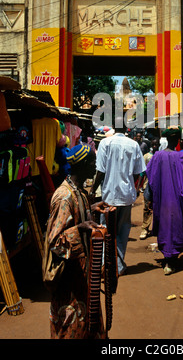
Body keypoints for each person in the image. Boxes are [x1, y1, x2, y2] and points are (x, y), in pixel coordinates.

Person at [43, 143, 110, 339]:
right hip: (69, 281)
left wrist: (92, 207)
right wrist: (79, 228)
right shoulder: (64, 197)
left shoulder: (78, 192)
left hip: (82, 277)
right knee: (70, 330)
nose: (95, 167)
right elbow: (55, 241)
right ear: (84, 164)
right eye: (93, 162)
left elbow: (78, 214)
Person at [91, 125, 146, 275]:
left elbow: (100, 170)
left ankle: (105, 265)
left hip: (109, 196)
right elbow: (138, 171)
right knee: (122, 232)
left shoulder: (105, 143)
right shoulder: (133, 144)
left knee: (106, 231)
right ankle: (119, 266)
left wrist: (92, 189)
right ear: (127, 129)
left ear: (114, 127)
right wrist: (132, 186)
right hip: (126, 196)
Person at [146, 126, 183, 275]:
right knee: (176, 226)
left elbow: (151, 178)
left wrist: (150, 197)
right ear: (178, 140)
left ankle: (168, 257)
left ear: (166, 139)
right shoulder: (181, 157)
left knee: (165, 226)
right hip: (178, 200)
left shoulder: (157, 156)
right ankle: (171, 259)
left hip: (162, 201)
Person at [139, 137, 159, 240]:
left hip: (159, 187)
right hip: (148, 186)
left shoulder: (161, 156)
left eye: (156, 144)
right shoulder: (147, 157)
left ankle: (157, 228)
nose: (155, 146)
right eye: (153, 144)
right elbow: (142, 173)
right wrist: (138, 186)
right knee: (147, 208)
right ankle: (145, 228)